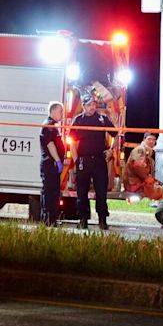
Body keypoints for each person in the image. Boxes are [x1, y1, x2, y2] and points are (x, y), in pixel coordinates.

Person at [70, 93, 118, 230]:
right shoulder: (78, 120)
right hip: (83, 160)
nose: (92, 107)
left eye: (94, 104)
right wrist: (76, 159)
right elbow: (72, 142)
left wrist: (111, 150)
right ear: (84, 106)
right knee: (82, 192)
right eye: (89, 104)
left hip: (98, 160)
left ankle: (102, 220)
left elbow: (116, 135)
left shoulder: (102, 119)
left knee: (101, 192)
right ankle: (83, 220)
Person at [122, 132, 163, 201]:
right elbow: (139, 168)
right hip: (136, 186)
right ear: (144, 139)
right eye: (149, 139)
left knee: (162, 190)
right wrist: (151, 180)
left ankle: (161, 208)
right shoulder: (140, 150)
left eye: (154, 140)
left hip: (140, 185)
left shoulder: (147, 153)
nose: (151, 141)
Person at [39, 101, 66, 226]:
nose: (62, 114)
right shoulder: (49, 125)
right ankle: (48, 219)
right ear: (54, 110)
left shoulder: (53, 125)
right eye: (60, 111)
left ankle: (52, 219)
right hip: (50, 164)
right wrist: (58, 160)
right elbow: (50, 145)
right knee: (49, 192)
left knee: (54, 192)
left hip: (52, 164)